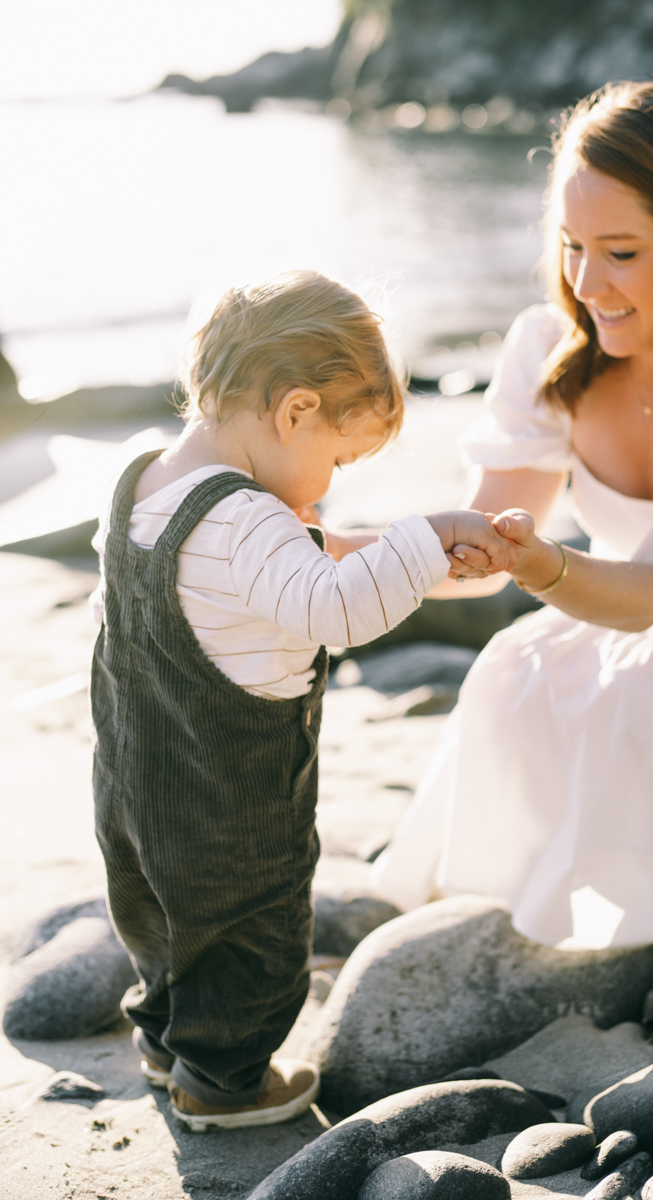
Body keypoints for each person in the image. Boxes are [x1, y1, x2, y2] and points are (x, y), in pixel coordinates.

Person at [370, 82, 653, 950]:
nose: (587, 282)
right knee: (516, 669)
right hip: (621, 617)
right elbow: (477, 548)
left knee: (645, 701)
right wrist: (325, 558)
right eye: (571, 246)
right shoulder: (551, 353)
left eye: (622, 252)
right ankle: (516, 928)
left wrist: (546, 567)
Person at [89, 271, 514, 1131]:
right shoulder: (249, 520)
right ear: (295, 411)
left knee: (162, 921)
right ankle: (226, 1082)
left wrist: (431, 568)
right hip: (231, 796)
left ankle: (170, 1044)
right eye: (337, 457)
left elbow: (274, 566)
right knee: (254, 934)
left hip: (136, 781)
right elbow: (334, 606)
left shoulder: (144, 482)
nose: (326, 487)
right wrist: (425, 536)